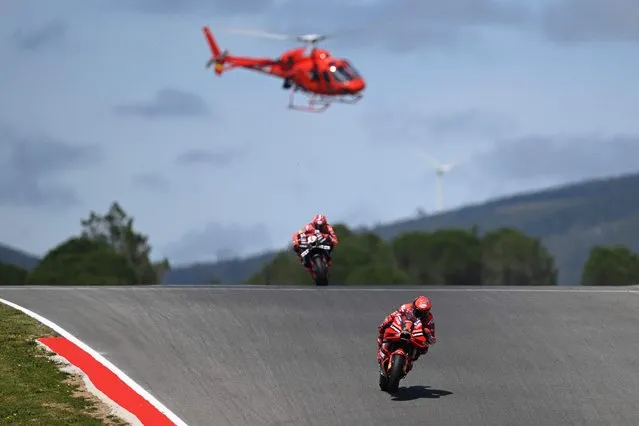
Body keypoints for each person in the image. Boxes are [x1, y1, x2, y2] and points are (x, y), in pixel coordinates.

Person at [377, 296, 436, 373]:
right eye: (419, 311)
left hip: (415, 335)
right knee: (383, 328)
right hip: (402, 329)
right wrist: (385, 323)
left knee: (424, 349)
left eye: (424, 312)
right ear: (414, 306)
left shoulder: (429, 318)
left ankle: (410, 360)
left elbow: (432, 337)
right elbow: (394, 315)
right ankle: (381, 351)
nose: (421, 314)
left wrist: (428, 334)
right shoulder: (405, 307)